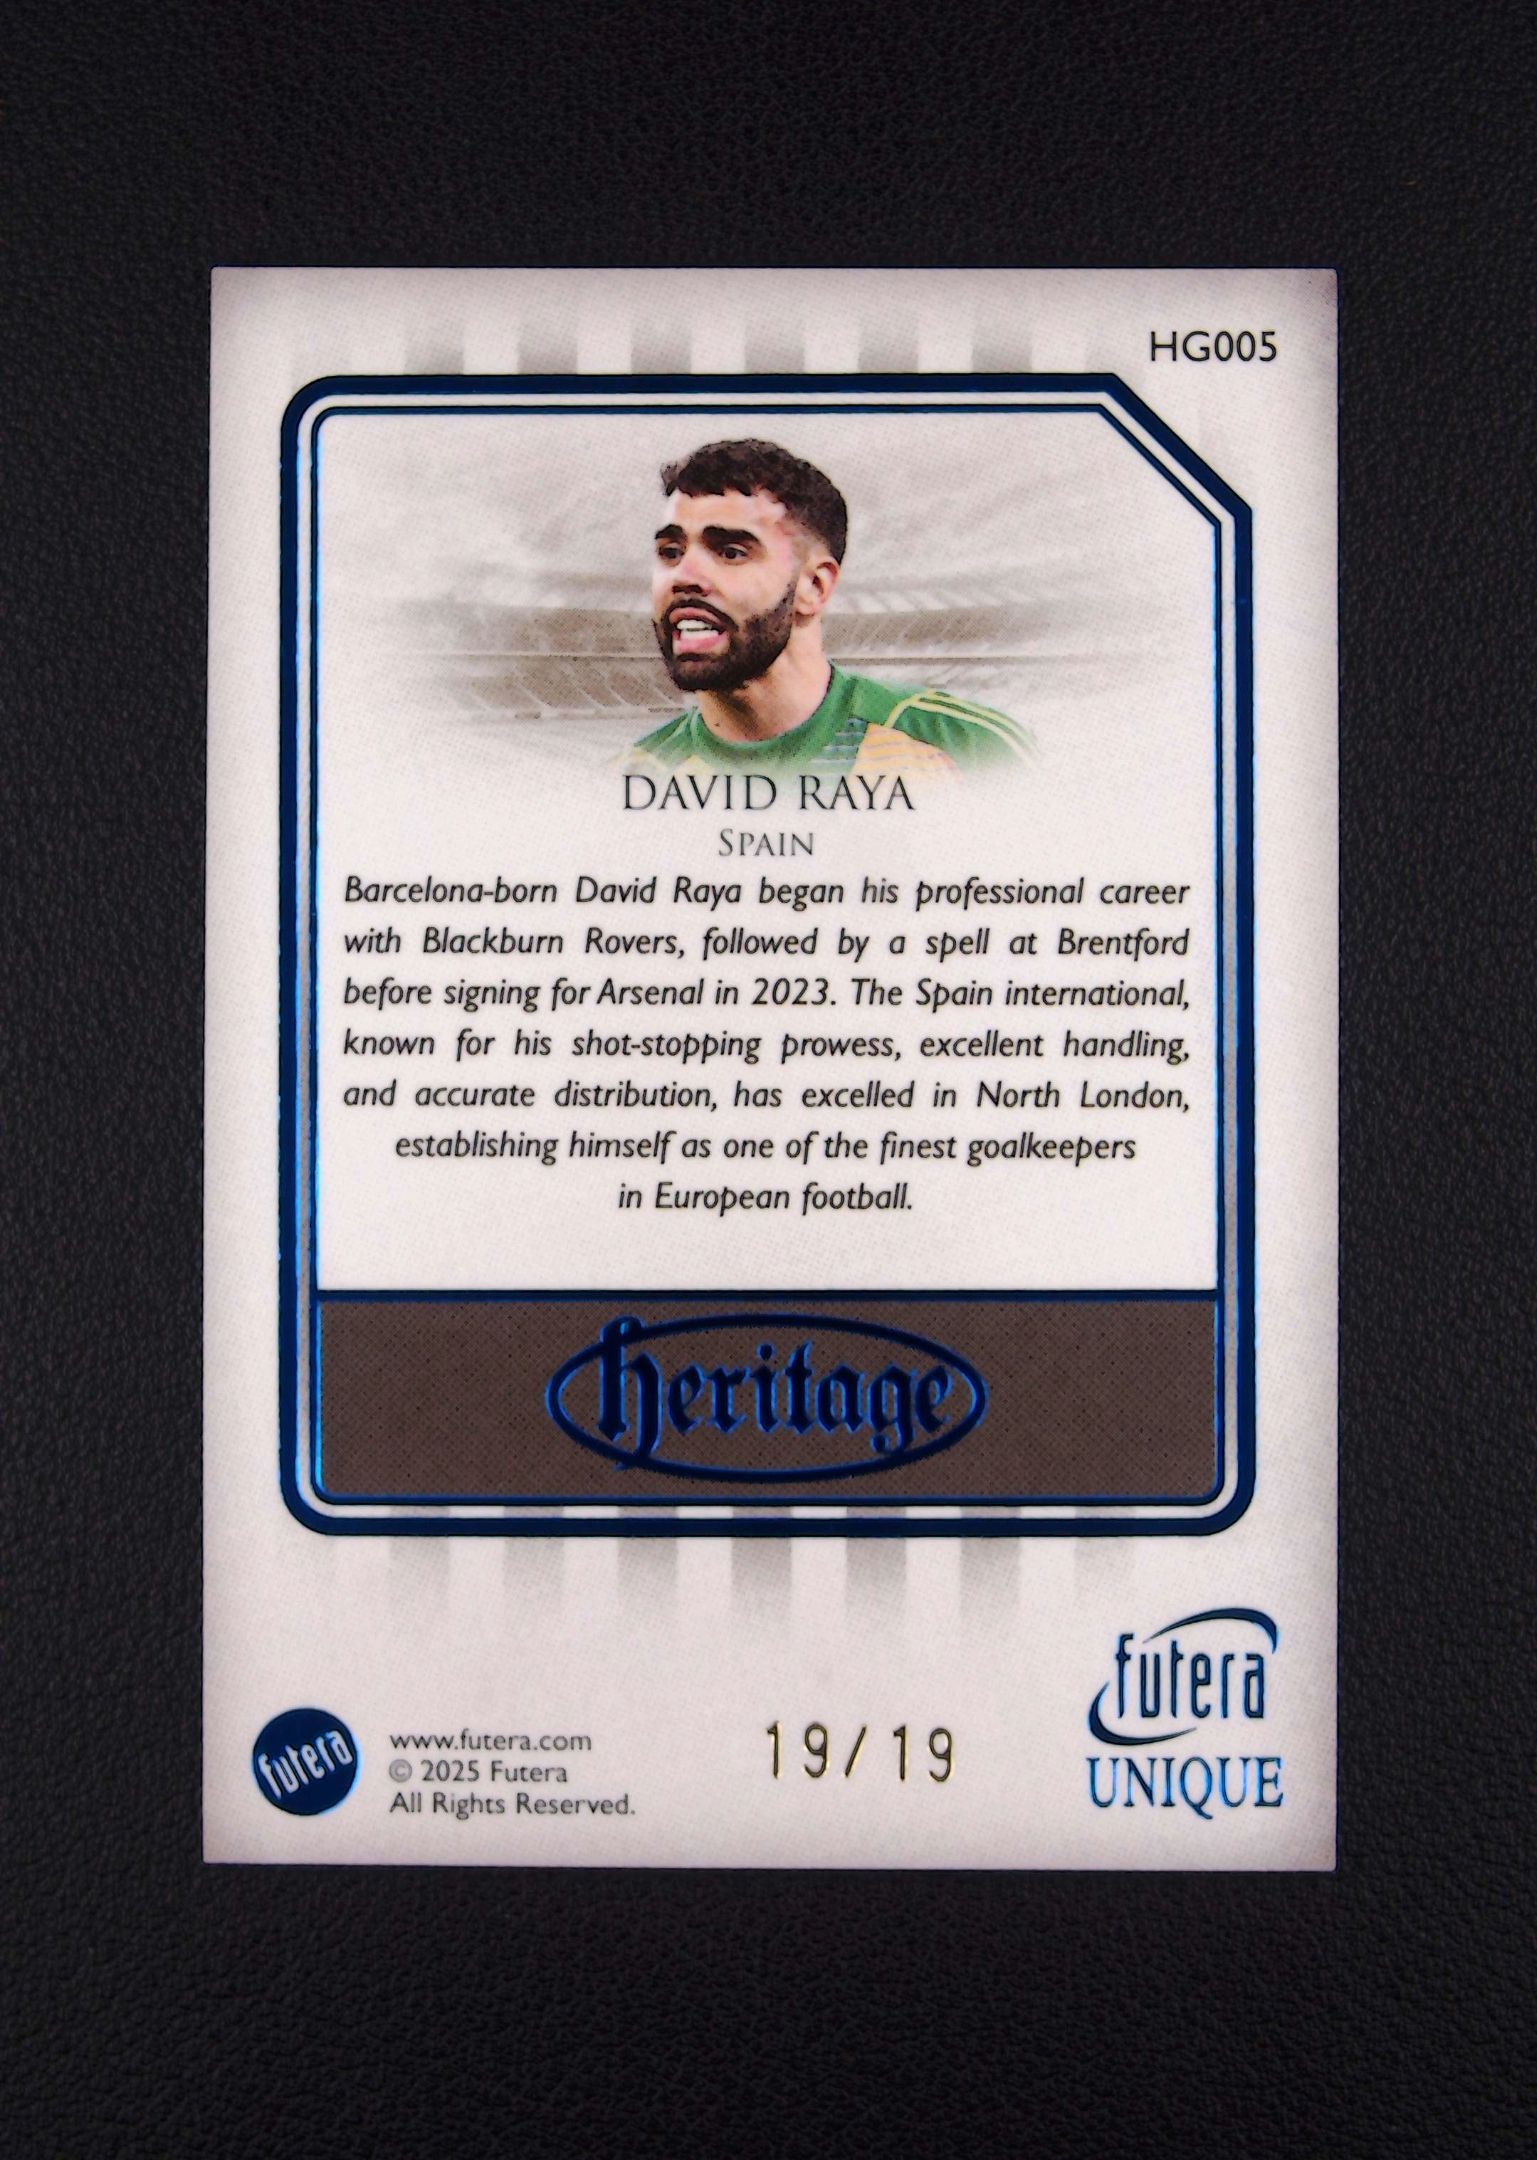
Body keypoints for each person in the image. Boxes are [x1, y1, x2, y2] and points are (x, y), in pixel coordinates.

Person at [627, 439, 1028, 779]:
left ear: (813, 587)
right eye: (670, 552)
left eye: (731, 552)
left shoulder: (971, 749)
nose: (682, 576)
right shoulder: (631, 780)